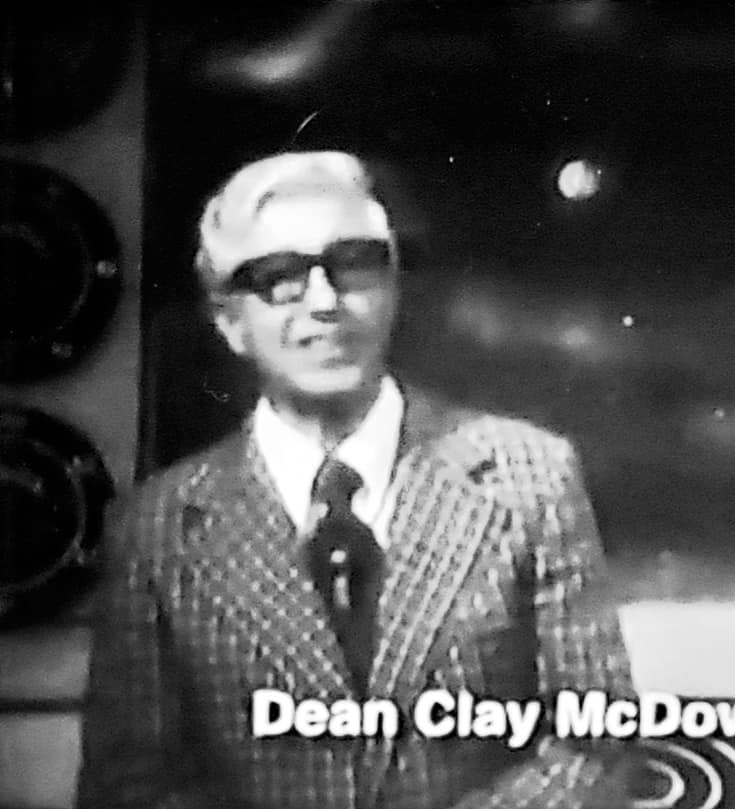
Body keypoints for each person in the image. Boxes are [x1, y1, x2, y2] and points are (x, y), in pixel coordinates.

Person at [78, 151, 636, 809]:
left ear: (393, 288)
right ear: (230, 321)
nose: (324, 302)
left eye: (353, 264)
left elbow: (595, 743)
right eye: (279, 277)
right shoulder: (158, 527)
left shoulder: (529, 478)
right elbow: (131, 785)